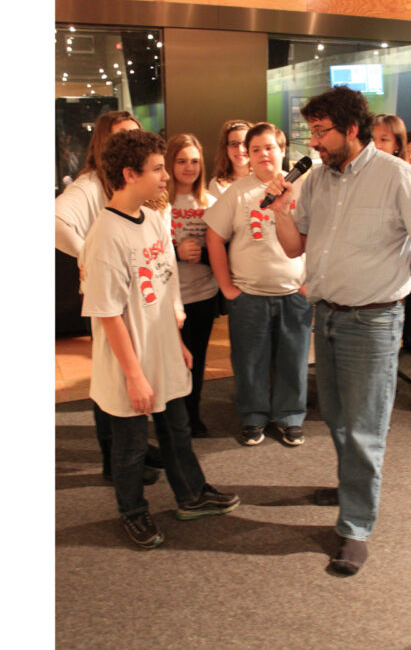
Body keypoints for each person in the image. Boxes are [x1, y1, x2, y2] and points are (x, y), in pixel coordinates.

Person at [268, 87, 411, 576]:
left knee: (364, 427)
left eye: (321, 132)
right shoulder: (317, 181)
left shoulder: (397, 176)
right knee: (335, 416)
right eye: (311, 131)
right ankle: (351, 484)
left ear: (351, 129)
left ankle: (355, 528)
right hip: (327, 315)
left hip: (372, 320)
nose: (314, 143)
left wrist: (396, 258)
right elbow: (295, 248)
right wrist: (277, 211)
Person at [81, 129, 240, 549]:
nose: (166, 175)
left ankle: (191, 494)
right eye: (156, 169)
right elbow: (109, 313)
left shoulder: (153, 220)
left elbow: (167, 286)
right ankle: (132, 510)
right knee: (132, 445)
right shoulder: (105, 236)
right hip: (130, 359)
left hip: (163, 348)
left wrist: (178, 342)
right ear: (129, 174)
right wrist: (134, 376)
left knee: (177, 428)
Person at [54, 110, 165, 486]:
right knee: (111, 377)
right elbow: (53, 221)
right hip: (108, 299)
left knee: (132, 376)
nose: (132, 144)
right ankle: (113, 460)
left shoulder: (136, 182)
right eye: (122, 138)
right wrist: (88, 254)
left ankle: (132, 447)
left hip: (138, 296)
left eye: (137, 136)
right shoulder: (89, 186)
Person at [205, 122, 312, 448]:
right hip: (248, 296)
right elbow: (214, 236)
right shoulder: (238, 192)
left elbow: (321, 235)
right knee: (249, 361)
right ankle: (253, 417)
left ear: (282, 150)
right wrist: (227, 288)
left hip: (294, 294)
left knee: (293, 360)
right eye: (255, 149)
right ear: (247, 156)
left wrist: (312, 281)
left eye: (269, 147)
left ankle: (291, 416)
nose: (263, 154)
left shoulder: (303, 190)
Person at [163, 133, 220, 437]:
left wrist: (203, 254)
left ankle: (192, 415)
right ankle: (171, 420)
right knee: (170, 360)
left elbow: (224, 250)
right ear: (170, 163)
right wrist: (176, 252)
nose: (189, 167)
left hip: (203, 294)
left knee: (196, 359)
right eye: (181, 160)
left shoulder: (210, 202)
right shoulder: (158, 203)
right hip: (166, 298)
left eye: (195, 161)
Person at [207, 119, 253, 200]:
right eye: (234, 144)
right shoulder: (217, 184)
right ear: (225, 148)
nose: (240, 150)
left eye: (245, 144)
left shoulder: (264, 179)